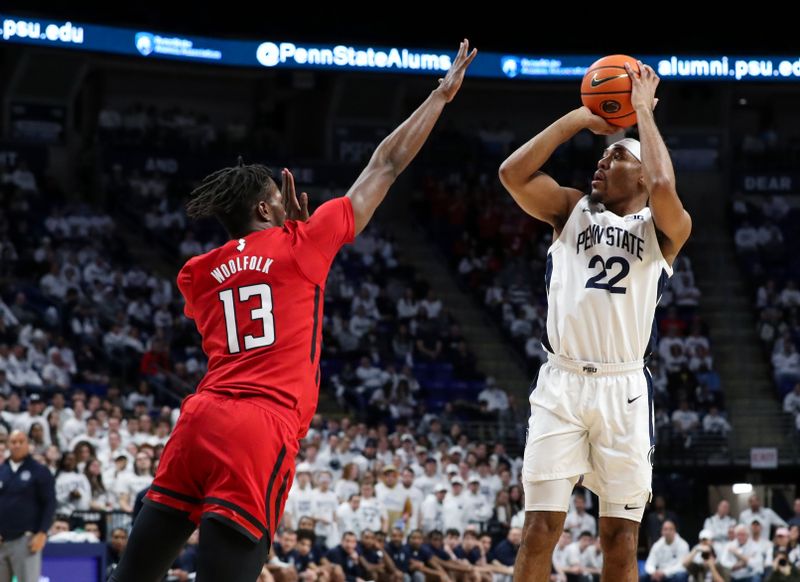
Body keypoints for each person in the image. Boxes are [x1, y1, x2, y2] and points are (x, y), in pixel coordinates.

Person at [110, 39, 477, 582]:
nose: (290, 204)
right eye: (279, 201)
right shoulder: (304, 242)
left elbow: (246, 278)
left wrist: (285, 234)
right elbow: (387, 163)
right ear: (265, 207)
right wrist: (439, 98)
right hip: (260, 425)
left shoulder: (196, 273)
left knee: (133, 576)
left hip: (199, 417)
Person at [500, 60, 691, 582]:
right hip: (560, 382)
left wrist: (643, 115)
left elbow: (665, 183)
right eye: (602, 156)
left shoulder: (664, 227)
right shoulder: (570, 209)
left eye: (615, 157)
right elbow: (512, 174)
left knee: (621, 541)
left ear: (640, 173)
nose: (601, 163)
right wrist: (580, 120)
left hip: (623, 389)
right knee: (538, 530)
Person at [0, 430, 56, 582]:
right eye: (13, 442)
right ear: (7, 445)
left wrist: (43, 532)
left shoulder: (39, 471)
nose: (17, 445)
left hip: (26, 540)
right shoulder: (2, 470)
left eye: (21, 441)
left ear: (28, 444)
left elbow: (50, 503)